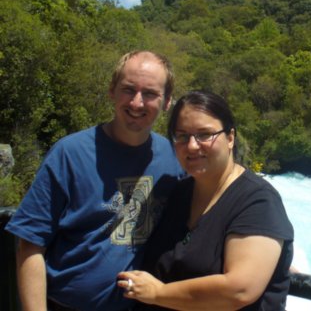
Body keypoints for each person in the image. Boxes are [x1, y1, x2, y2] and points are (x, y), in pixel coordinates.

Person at [5, 51, 185, 311]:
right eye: (128, 89)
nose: (137, 103)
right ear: (112, 91)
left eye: (150, 93)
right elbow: (30, 244)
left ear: (167, 101)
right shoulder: (70, 153)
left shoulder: (174, 159)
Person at [117, 90, 294, 311]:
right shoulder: (180, 193)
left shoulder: (257, 201)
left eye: (205, 134)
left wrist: (158, 293)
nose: (192, 145)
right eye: (182, 136)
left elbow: (239, 290)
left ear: (230, 138)